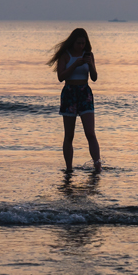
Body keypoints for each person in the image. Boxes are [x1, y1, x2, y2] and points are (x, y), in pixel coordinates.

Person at [47, 28, 102, 172]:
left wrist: (90, 64)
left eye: (83, 43)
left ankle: (98, 166)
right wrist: (75, 64)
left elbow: (94, 78)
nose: (81, 46)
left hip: (85, 93)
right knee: (69, 135)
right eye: (78, 43)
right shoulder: (65, 56)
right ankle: (69, 168)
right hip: (70, 93)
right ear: (73, 42)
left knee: (90, 133)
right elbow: (61, 77)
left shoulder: (89, 55)